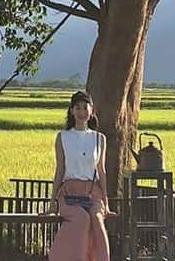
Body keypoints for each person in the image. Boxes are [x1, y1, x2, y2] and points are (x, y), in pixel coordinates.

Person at [47, 91, 113, 261]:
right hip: (70, 192)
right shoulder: (63, 137)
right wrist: (53, 201)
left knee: (97, 219)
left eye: (85, 107)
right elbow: (60, 169)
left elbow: (101, 171)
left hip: (93, 192)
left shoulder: (100, 139)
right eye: (77, 108)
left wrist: (105, 202)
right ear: (71, 111)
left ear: (92, 111)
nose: (82, 112)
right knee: (81, 218)